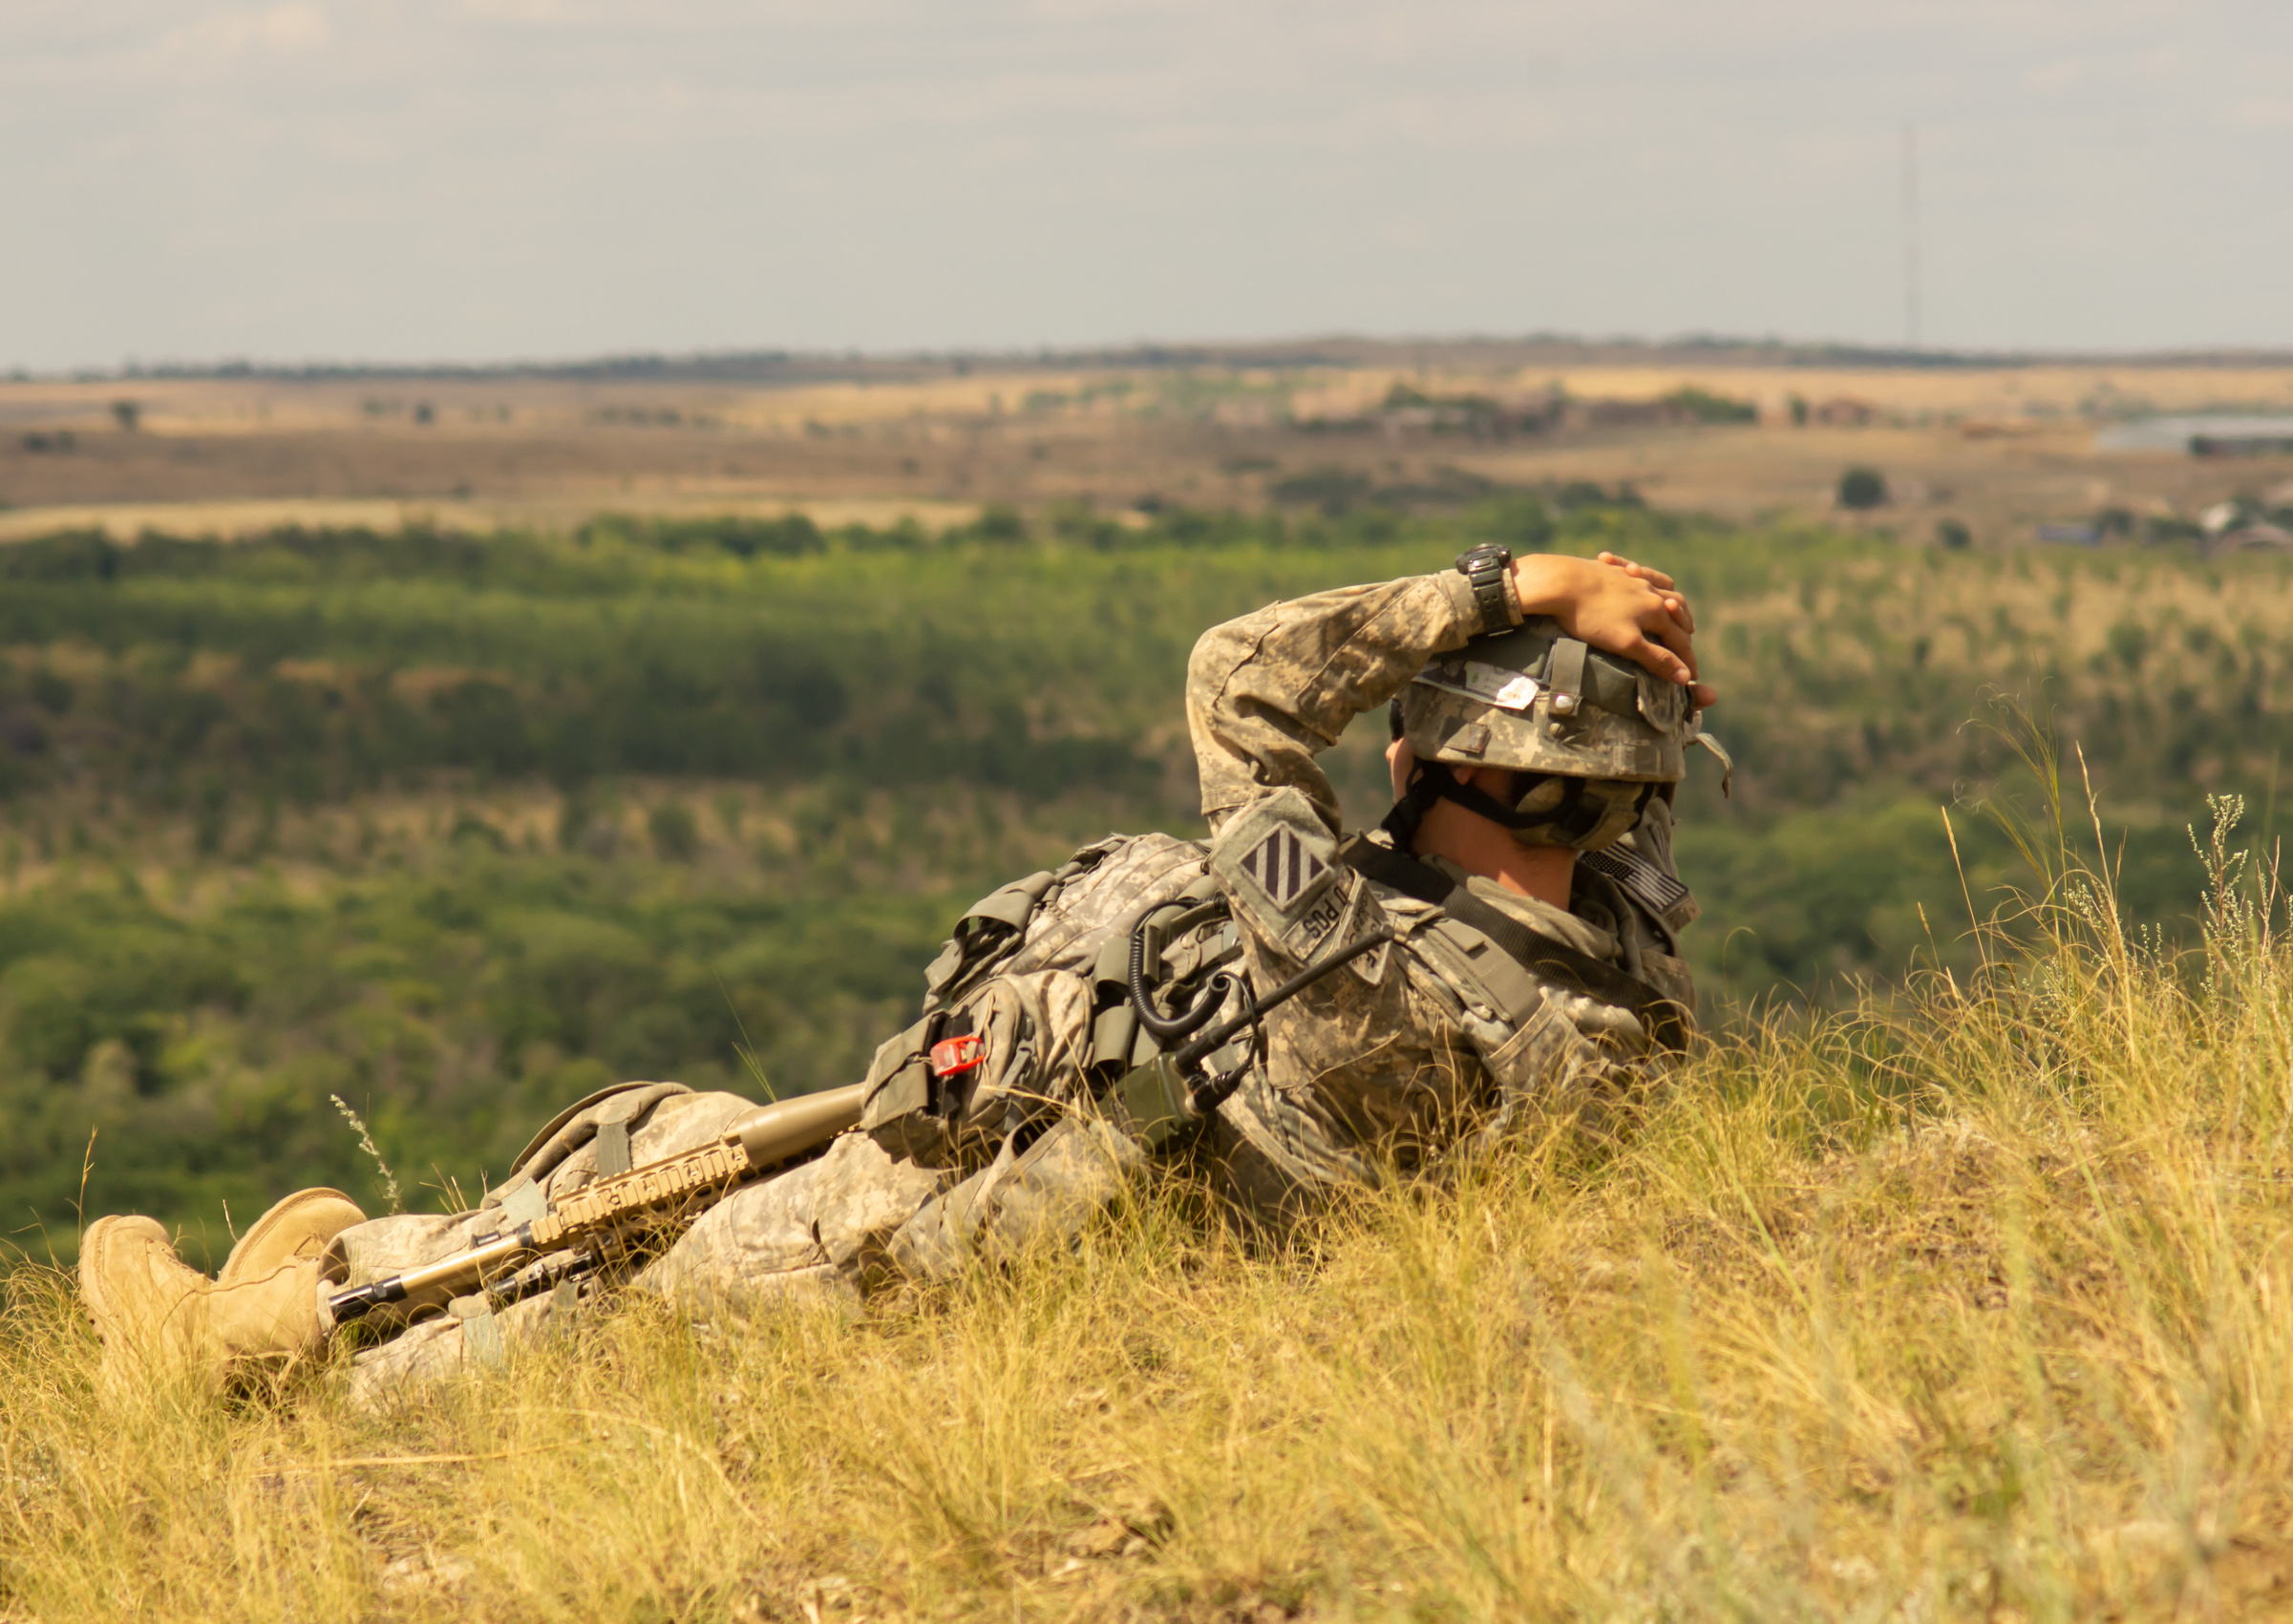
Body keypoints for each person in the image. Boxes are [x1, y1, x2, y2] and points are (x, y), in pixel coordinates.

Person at [77, 545, 1722, 1396]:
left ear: (1458, 760)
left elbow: (1241, 682)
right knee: (678, 1130)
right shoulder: (1606, 1015)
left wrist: (1510, 586)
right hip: (1055, 1210)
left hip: (928, 1243)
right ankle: (336, 1258)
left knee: (610, 1235)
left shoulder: (1358, 970)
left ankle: (243, 1346)